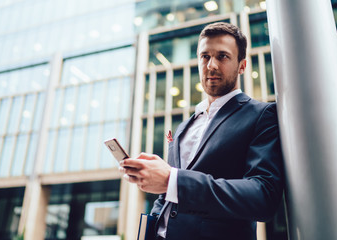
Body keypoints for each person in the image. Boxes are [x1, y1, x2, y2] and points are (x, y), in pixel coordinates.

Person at [120, 22, 284, 240]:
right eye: (204, 56)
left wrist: (174, 180)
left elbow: (263, 196)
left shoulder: (262, 115)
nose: (211, 65)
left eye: (222, 56)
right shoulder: (184, 127)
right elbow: (167, 199)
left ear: (242, 66)